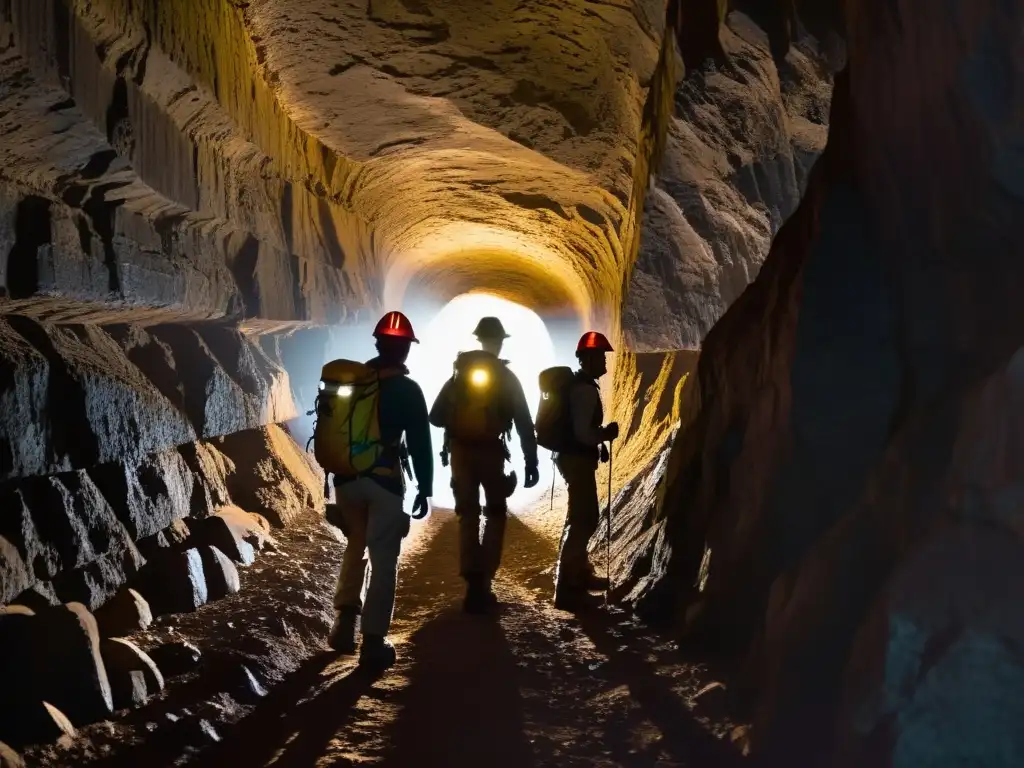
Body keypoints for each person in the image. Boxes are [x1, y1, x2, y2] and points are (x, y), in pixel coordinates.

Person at [325, 310, 433, 669]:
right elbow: (419, 443)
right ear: (404, 350)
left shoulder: (352, 384)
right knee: (384, 559)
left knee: (355, 546)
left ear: (376, 343)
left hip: (346, 482)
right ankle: (373, 640)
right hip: (384, 481)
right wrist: (425, 487)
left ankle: (343, 625)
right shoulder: (407, 389)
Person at [429, 316, 539, 613]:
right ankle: (485, 580)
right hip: (491, 451)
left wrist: (459, 413)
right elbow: (524, 422)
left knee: (468, 515)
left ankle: (472, 582)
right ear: (501, 342)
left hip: (460, 453)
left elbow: (435, 416)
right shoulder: (506, 378)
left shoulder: (458, 375)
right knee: (495, 513)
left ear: (478, 340)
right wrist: (531, 461)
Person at [553, 331, 618, 611]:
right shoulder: (585, 390)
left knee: (579, 517)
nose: (605, 361)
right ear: (588, 359)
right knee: (584, 519)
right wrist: (605, 434)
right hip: (576, 460)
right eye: (601, 356)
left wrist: (598, 440)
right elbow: (582, 433)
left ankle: (579, 574)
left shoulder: (581, 386)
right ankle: (568, 587)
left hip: (573, 458)